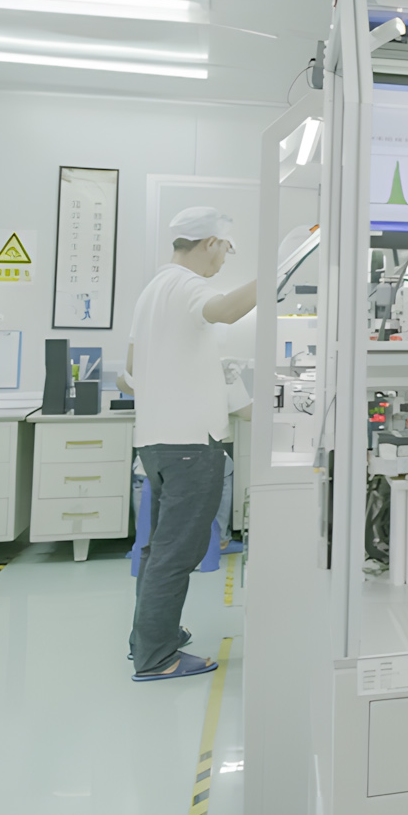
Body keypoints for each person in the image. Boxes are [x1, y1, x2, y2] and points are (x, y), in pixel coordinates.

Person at [121, 207, 257, 681]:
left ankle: (149, 637)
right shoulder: (186, 285)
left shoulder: (154, 290)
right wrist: (275, 275)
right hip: (190, 446)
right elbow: (227, 310)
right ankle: (157, 658)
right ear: (210, 243)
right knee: (177, 553)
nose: (223, 260)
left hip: (157, 442)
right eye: (225, 250)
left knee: (159, 549)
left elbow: (132, 367)